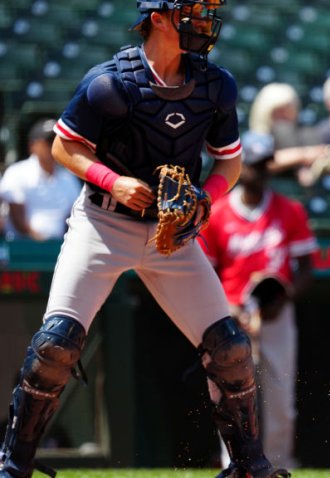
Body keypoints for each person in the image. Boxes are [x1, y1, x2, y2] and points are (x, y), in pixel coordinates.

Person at [0, 2, 289, 477]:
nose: (204, 23)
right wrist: (111, 181)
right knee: (56, 345)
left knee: (231, 348)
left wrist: (206, 197)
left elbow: (229, 163)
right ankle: (14, 465)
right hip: (103, 223)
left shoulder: (216, 85)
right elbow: (63, 146)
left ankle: (249, 466)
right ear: (158, 17)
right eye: (192, 12)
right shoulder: (109, 82)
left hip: (172, 236)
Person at [201, 132, 318, 470]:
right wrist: (227, 308)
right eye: (254, 165)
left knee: (280, 399)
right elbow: (206, 273)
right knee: (230, 395)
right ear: (240, 168)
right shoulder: (219, 213)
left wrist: (286, 295)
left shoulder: (289, 210)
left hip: (275, 315)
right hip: (232, 315)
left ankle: (279, 465)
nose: (261, 171)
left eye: (266, 164)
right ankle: (235, 465)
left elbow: (307, 267)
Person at [0, 119, 81, 241]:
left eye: (59, 141)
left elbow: (76, 216)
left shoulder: (69, 178)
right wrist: (40, 240)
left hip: (61, 247)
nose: (54, 146)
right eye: (49, 141)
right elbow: (17, 217)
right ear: (32, 146)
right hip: (21, 247)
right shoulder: (16, 172)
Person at [247, 82, 330, 186]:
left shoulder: (304, 134)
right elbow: (262, 163)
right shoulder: (256, 137)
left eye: (287, 110)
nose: (283, 115)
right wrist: (305, 154)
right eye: (278, 110)